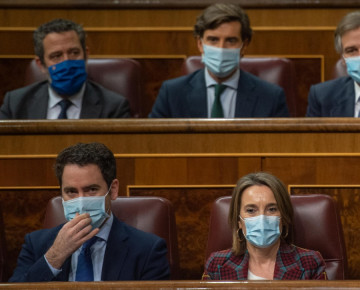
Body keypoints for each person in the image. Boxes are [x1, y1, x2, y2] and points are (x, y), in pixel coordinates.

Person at [9, 142, 170, 282]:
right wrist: (55, 256)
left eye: (91, 190)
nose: (81, 201)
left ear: (113, 189)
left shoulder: (147, 250)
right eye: (71, 191)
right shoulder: (36, 245)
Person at [149, 4, 289, 118]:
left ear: (244, 46)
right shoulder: (172, 93)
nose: (221, 48)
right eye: (213, 40)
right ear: (200, 44)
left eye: (231, 40)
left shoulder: (271, 97)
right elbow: (152, 146)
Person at [202, 172, 326, 280]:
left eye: (272, 209)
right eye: (251, 210)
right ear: (238, 221)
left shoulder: (310, 263)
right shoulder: (217, 264)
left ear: (284, 217)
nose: (262, 218)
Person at [0, 19, 130, 119]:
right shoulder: (16, 104)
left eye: (74, 52)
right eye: (56, 56)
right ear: (41, 64)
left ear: (86, 55)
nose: (66, 61)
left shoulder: (114, 107)